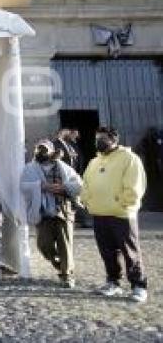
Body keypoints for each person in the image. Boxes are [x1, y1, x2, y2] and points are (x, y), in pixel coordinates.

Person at [81, 126, 148, 304]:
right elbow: (85, 183)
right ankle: (113, 282)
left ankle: (138, 285)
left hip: (122, 214)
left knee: (130, 251)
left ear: (113, 140)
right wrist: (87, 201)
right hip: (99, 213)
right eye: (96, 138)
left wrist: (124, 203)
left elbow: (135, 185)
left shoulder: (129, 158)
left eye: (102, 138)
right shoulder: (93, 162)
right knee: (107, 251)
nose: (98, 141)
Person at [21, 139, 83, 288]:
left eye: (44, 149)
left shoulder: (63, 167)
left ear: (51, 151)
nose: (41, 152)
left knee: (65, 244)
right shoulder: (30, 168)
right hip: (43, 212)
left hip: (62, 209)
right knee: (43, 245)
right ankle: (60, 264)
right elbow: (23, 186)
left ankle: (67, 275)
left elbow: (77, 183)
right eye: (39, 149)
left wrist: (63, 188)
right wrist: (41, 186)